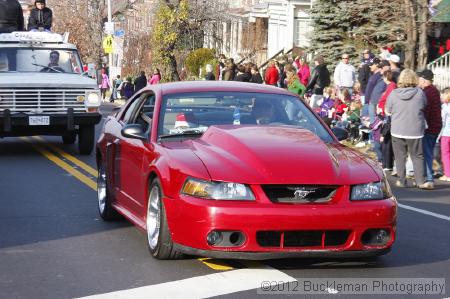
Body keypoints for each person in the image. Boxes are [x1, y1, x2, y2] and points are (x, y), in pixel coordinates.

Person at [385, 69, 430, 189]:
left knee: (400, 156)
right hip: (415, 129)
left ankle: (402, 180)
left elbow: (387, 111)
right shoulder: (420, 93)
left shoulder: (394, 94)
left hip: (398, 129)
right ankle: (420, 181)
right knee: (417, 156)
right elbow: (424, 106)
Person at [418, 69, 442, 188]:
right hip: (436, 125)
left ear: (423, 80)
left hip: (429, 126)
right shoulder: (435, 91)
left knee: (427, 153)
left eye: (420, 79)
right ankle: (425, 176)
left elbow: (425, 111)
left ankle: (429, 179)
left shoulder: (426, 93)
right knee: (428, 151)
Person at [439, 88, 450, 181]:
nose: (441, 96)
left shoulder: (445, 107)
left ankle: (448, 174)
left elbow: (442, 121)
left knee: (445, 154)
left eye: (442, 94)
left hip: (446, 133)